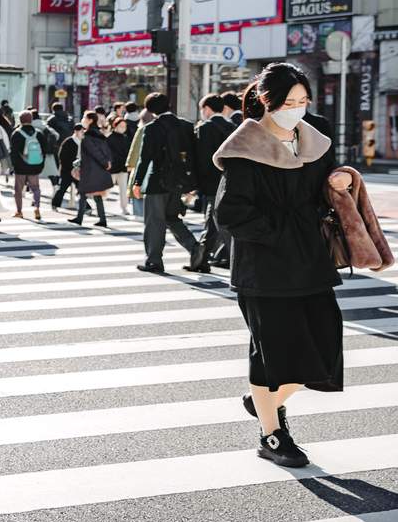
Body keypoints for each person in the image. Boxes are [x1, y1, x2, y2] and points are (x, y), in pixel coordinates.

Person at [214, 63, 349, 468]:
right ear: (265, 102)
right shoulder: (245, 150)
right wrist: (281, 233)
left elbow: (324, 191)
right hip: (264, 269)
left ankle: (263, 401)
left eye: (303, 101)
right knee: (272, 353)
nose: (297, 109)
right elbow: (229, 214)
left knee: (325, 349)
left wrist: (339, 180)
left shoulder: (313, 141)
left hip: (310, 263)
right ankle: (272, 435)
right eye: (289, 102)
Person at [131, 92, 200, 274]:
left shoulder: (152, 128)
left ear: (151, 109)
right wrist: (191, 183)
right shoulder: (186, 126)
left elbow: (144, 159)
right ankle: (195, 248)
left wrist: (137, 182)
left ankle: (154, 261)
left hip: (157, 182)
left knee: (154, 222)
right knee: (172, 218)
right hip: (179, 182)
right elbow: (193, 156)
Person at [190, 93, 236, 273]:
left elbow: (201, 159)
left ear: (207, 109)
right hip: (228, 180)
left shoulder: (205, 128)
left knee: (216, 222)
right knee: (213, 223)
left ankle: (205, 259)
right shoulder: (231, 126)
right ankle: (200, 260)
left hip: (210, 183)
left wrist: (196, 184)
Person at [70, 110, 113, 227]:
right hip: (98, 168)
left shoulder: (88, 136)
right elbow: (106, 150)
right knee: (96, 194)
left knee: (84, 192)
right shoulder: (99, 134)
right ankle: (101, 219)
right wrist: (107, 162)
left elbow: (94, 152)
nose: (83, 120)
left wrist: (105, 163)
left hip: (90, 168)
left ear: (90, 120)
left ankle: (80, 218)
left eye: (84, 118)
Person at [9, 111, 47, 220]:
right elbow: (44, 149)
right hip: (35, 165)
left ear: (20, 120)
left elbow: (13, 152)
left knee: (18, 190)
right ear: (31, 120)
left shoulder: (16, 133)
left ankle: (19, 211)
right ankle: (37, 208)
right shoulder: (39, 133)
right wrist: (41, 163)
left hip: (20, 167)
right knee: (35, 188)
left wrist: (13, 166)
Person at [125, 106, 154, 218]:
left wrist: (130, 164)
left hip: (141, 166)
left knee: (137, 192)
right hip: (155, 170)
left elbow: (135, 149)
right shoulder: (159, 128)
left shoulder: (142, 129)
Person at [53, 125, 82, 212]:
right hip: (67, 170)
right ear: (76, 131)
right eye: (81, 131)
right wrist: (70, 166)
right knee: (62, 188)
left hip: (78, 170)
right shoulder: (69, 141)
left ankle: (86, 208)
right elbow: (61, 156)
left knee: (81, 189)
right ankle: (55, 204)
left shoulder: (82, 141)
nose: (82, 133)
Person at [108, 116, 132, 216]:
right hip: (112, 167)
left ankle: (124, 207)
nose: (123, 128)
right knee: (107, 187)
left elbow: (129, 152)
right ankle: (99, 206)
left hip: (123, 167)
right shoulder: (109, 138)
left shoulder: (126, 138)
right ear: (115, 126)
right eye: (121, 126)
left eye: (124, 126)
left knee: (123, 188)